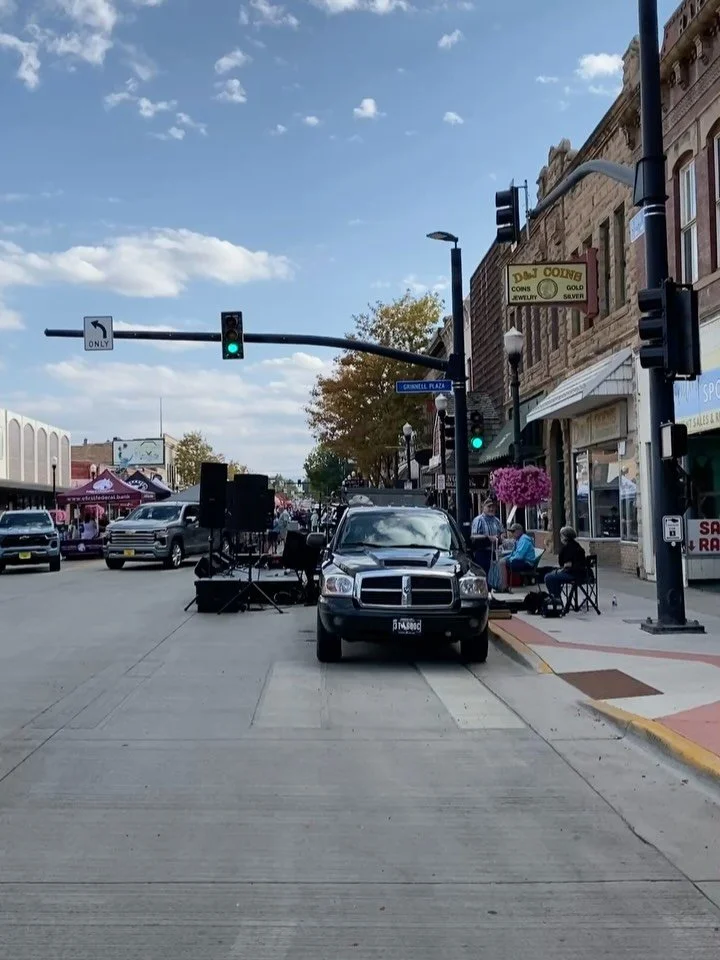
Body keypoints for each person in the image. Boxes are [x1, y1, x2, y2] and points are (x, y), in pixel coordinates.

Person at [544, 526, 587, 598]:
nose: (560, 538)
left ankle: (556, 599)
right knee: (553, 575)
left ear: (565, 537)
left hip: (573, 574)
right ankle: (556, 597)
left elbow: (562, 563)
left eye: (561, 536)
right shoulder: (577, 545)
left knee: (548, 577)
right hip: (582, 573)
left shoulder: (567, 548)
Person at [498, 522, 536, 590]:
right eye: (511, 532)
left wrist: (508, 560)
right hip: (522, 561)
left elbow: (519, 556)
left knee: (502, 563)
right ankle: (503, 584)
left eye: (513, 531)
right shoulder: (519, 540)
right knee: (501, 560)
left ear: (519, 531)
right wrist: (506, 558)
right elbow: (514, 553)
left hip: (527, 563)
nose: (512, 534)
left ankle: (504, 587)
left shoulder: (524, 540)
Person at [470, 499, 503, 576]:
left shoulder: (496, 520)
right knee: (483, 575)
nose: (491, 509)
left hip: (494, 552)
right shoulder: (478, 520)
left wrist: (502, 536)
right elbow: (473, 536)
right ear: (483, 507)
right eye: (489, 507)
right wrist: (488, 537)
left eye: (493, 507)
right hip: (482, 553)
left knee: (493, 576)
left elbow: (502, 532)